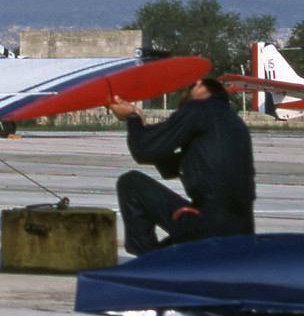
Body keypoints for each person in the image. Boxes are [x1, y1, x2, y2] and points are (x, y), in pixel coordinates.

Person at [106, 78, 255, 255]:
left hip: (207, 226)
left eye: (186, 89)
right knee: (166, 252)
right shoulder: (232, 121)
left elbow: (143, 150)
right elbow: (169, 167)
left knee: (130, 183)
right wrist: (142, 123)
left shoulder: (198, 109)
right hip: (240, 233)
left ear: (199, 85)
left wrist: (131, 118)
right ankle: (160, 261)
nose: (182, 96)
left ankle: (146, 264)